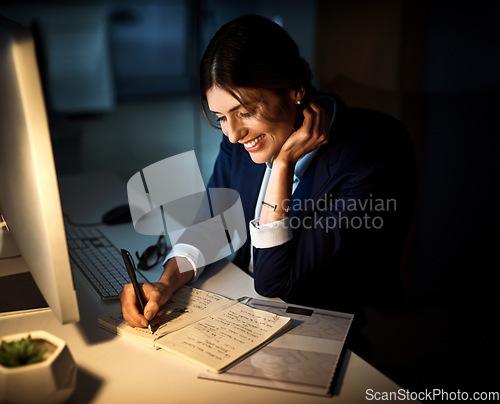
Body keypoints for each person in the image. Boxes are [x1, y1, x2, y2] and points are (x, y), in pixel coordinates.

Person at [120, 15, 415, 335]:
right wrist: (165, 284)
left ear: (295, 90)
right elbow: (213, 224)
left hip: (316, 327)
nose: (232, 134)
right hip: (242, 304)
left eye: (245, 112)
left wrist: (284, 163)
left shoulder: (362, 163)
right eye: (221, 117)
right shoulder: (240, 137)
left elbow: (274, 280)